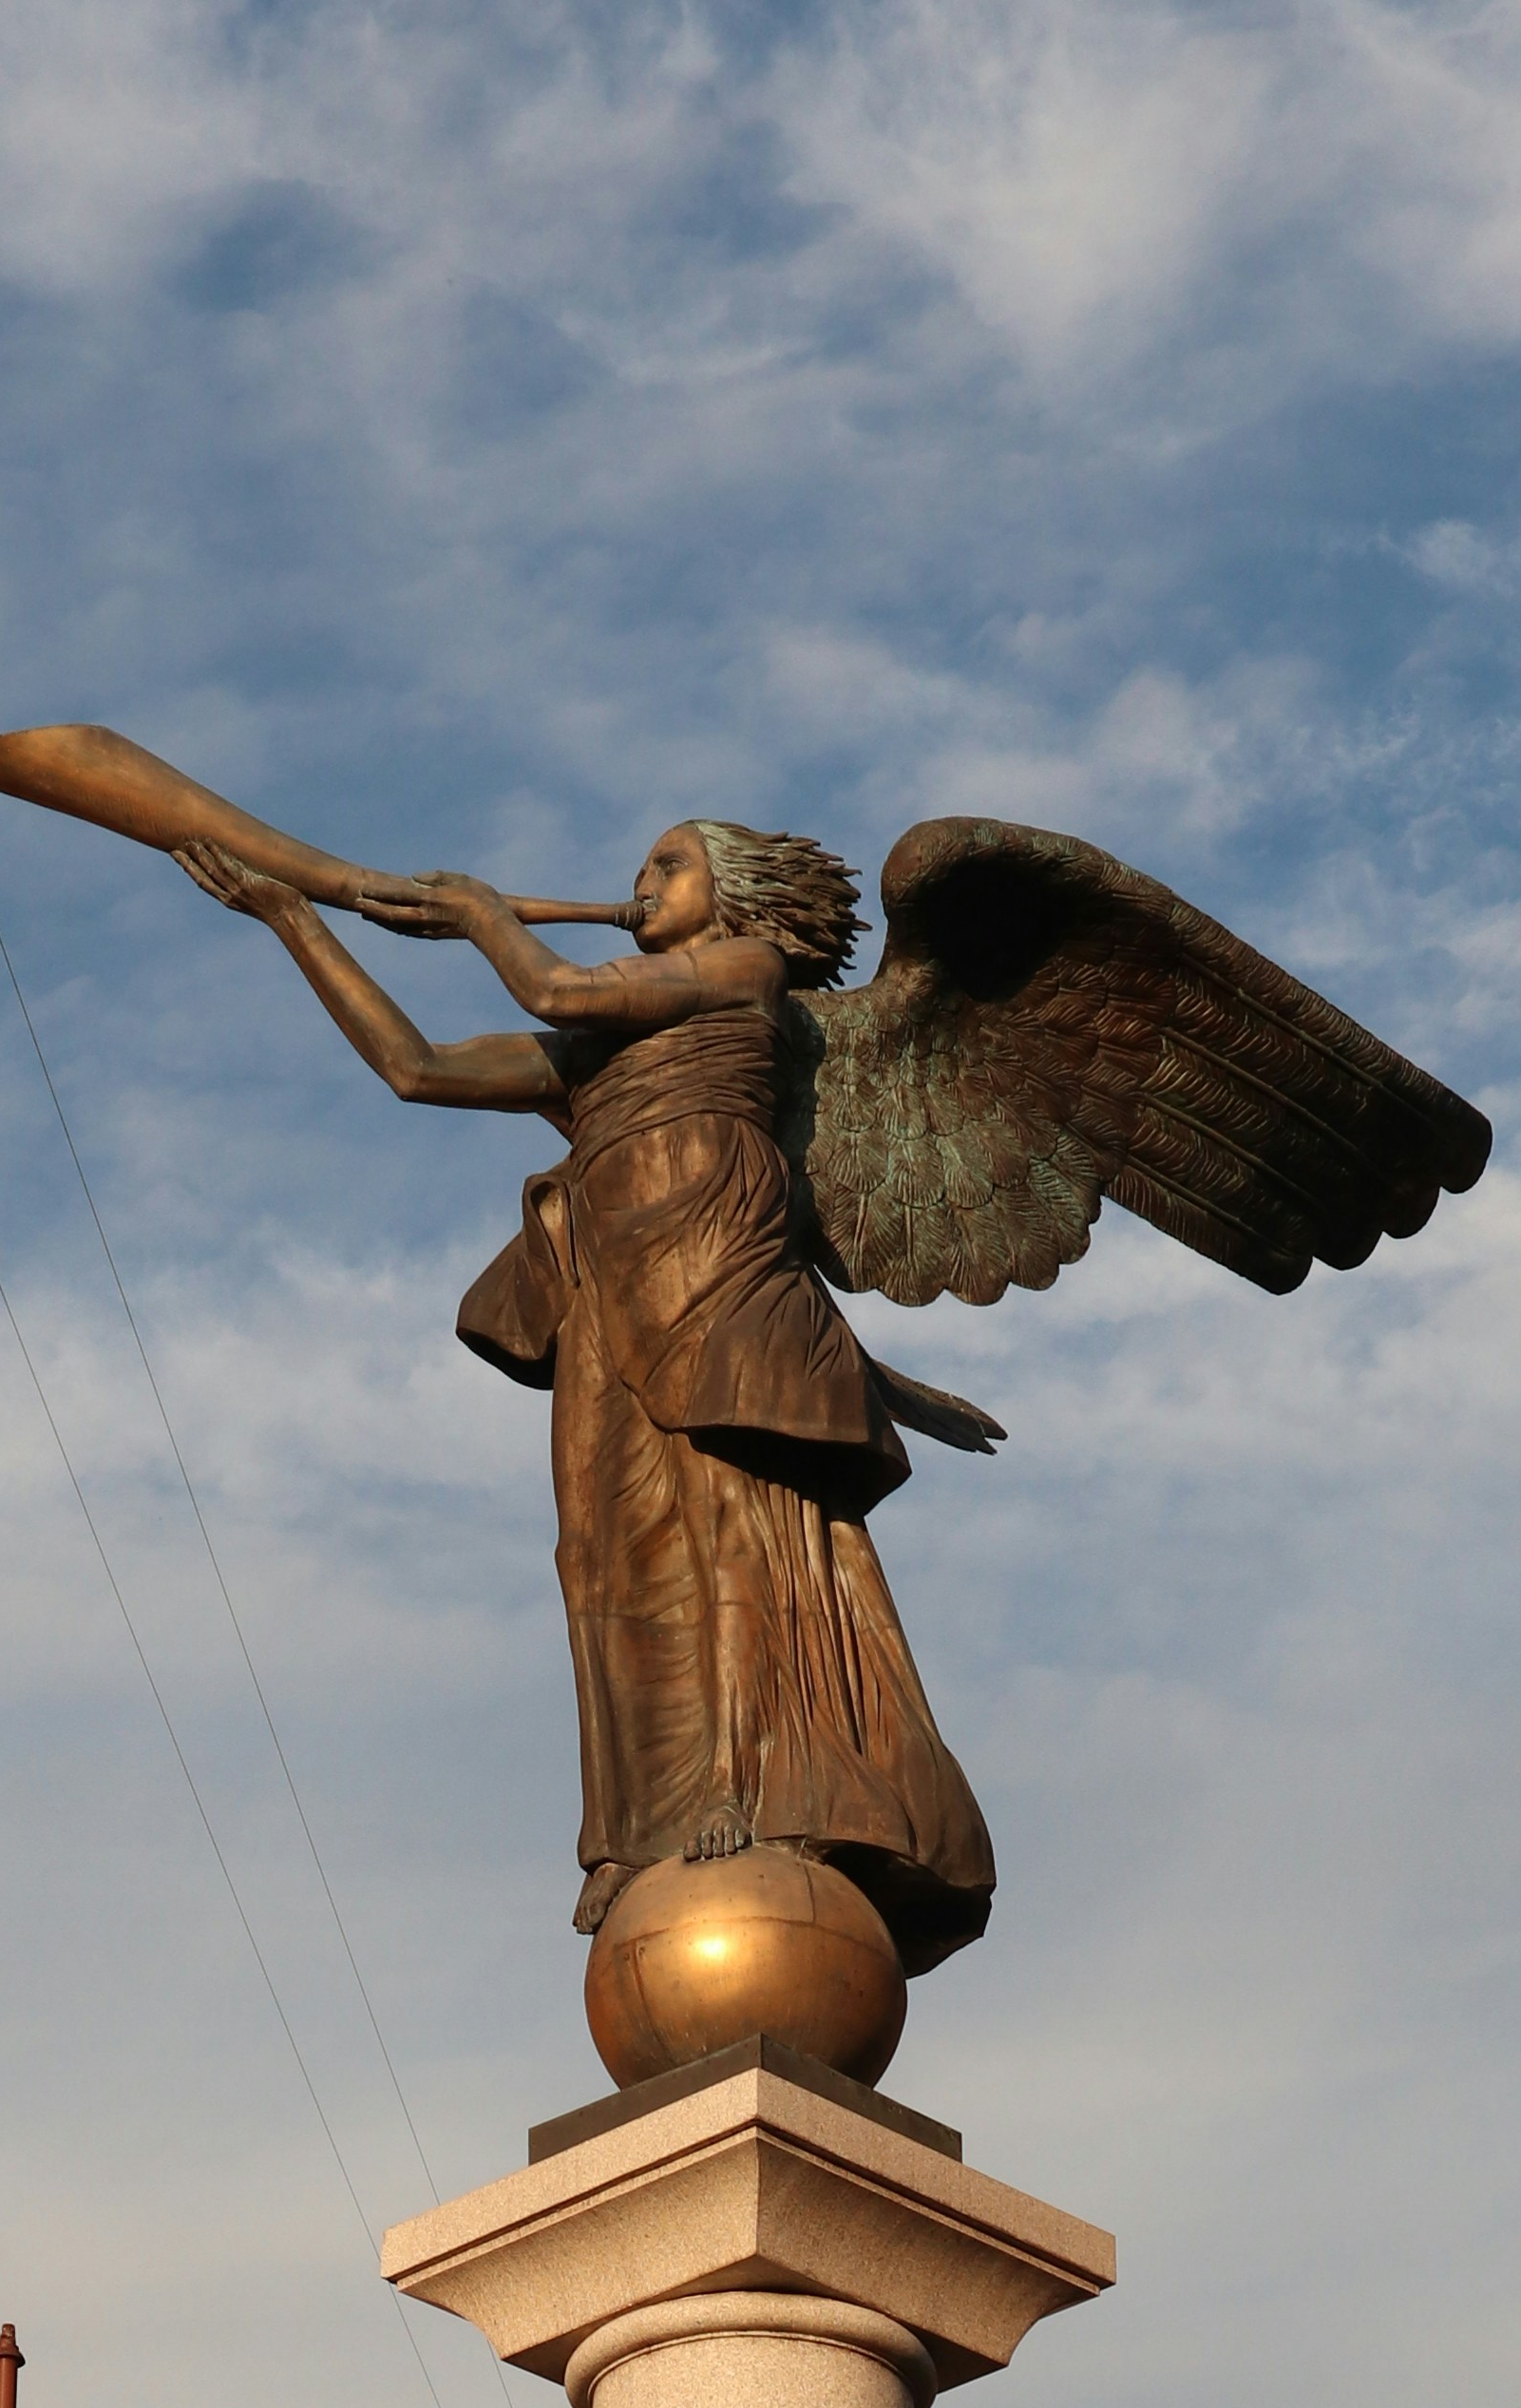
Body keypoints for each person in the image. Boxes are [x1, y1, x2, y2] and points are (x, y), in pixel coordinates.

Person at [181, 817, 998, 1978]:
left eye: (667, 866)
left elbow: (561, 988)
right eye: (640, 871)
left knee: (733, 1533)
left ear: (740, 897)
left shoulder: (743, 971)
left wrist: (480, 916)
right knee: (600, 1555)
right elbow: (418, 1069)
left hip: (716, 1272)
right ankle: (630, 1827)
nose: (642, 884)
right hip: (610, 1296)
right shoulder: (596, 1058)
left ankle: (744, 1778)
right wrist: (295, 922)